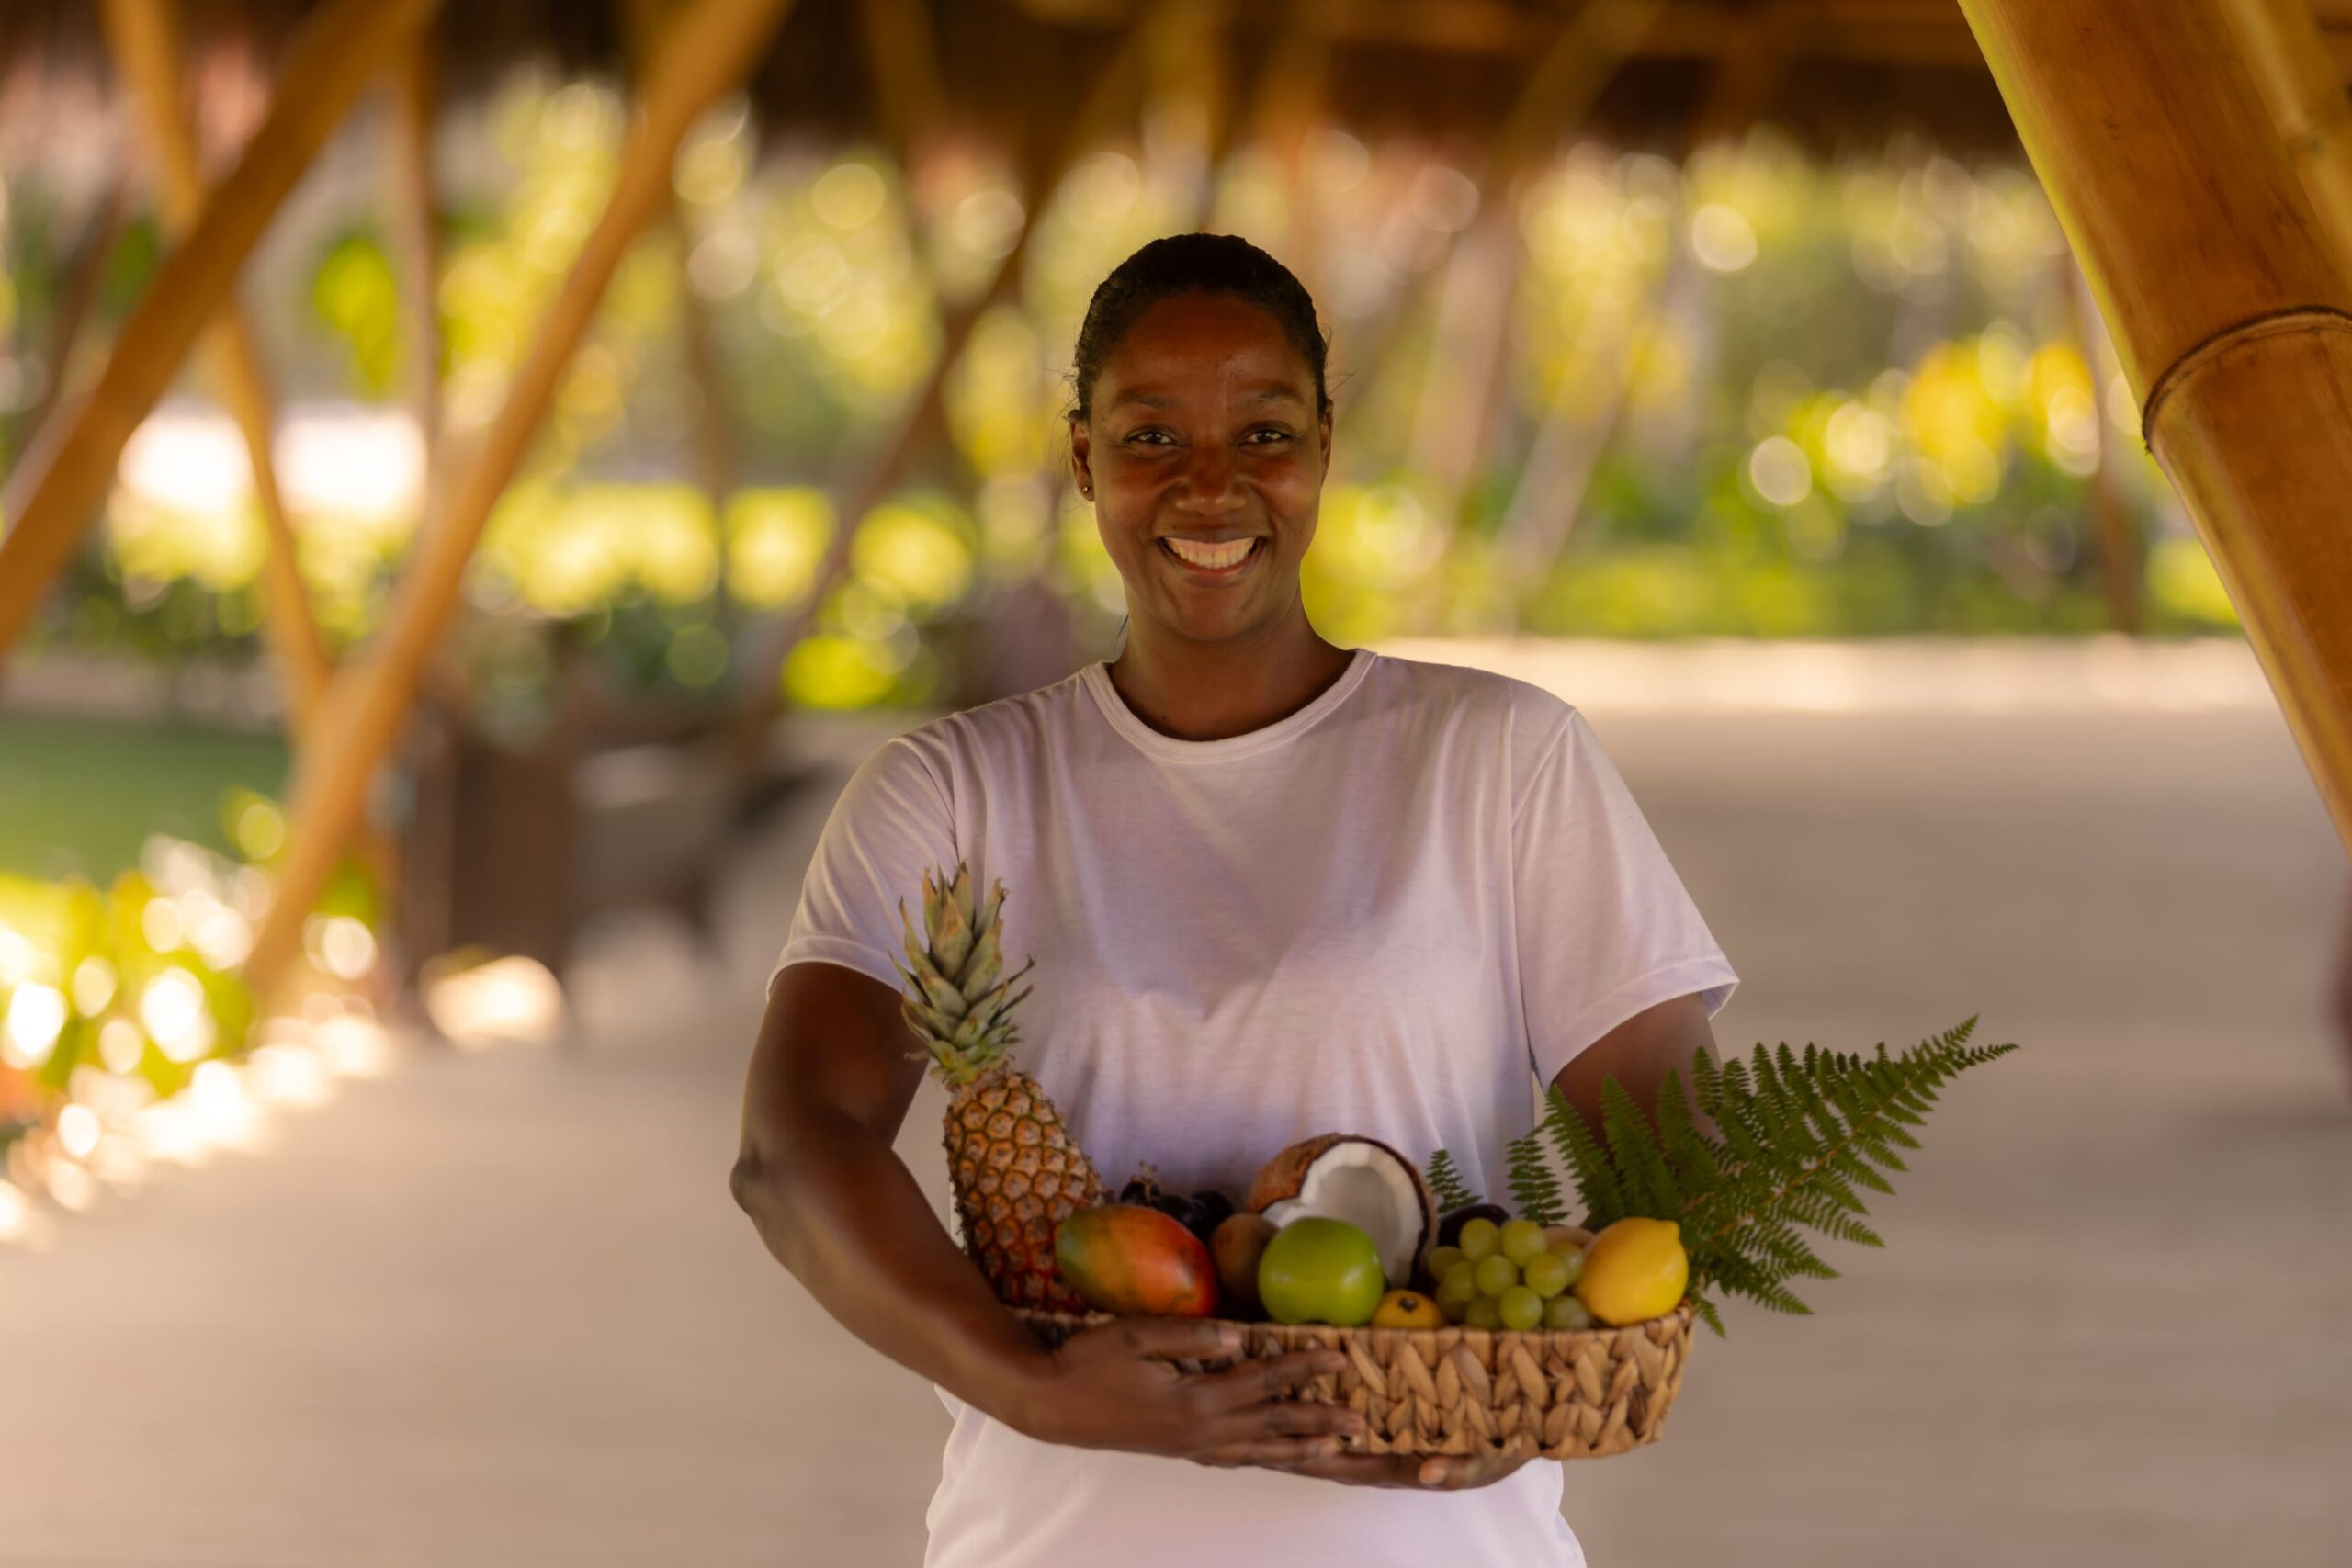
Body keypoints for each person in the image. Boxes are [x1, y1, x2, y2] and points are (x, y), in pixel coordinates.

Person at [730, 233, 1739, 1567]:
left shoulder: (1501, 762)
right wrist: (1027, 1382)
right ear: (1083, 456)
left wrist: (1543, 1381)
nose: (1211, 488)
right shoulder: (954, 794)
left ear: (1325, 444)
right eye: (1151, 437)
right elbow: (794, 1151)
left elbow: (1691, 1158)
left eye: (1263, 430)